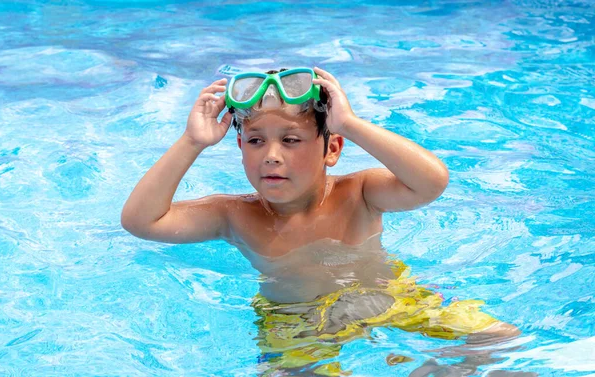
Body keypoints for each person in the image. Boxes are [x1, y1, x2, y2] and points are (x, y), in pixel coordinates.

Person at [121, 67, 520, 376]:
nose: (271, 155)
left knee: (499, 338)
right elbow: (141, 221)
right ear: (240, 146)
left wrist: (348, 122)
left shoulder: (359, 193)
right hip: (296, 324)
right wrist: (193, 141)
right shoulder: (234, 215)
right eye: (257, 140)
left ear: (331, 149)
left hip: (385, 297)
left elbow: (432, 181)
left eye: (291, 140)